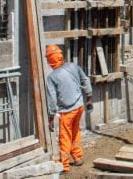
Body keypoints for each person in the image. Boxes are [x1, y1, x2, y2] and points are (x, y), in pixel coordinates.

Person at [45, 44, 93, 173]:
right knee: (75, 131)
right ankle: (78, 158)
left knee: (65, 136)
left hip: (67, 111)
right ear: (61, 56)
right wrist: (89, 98)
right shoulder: (73, 66)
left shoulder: (52, 77)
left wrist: (51, 117)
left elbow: (52, 100)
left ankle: (64, 165)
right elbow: (86, 80)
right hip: (79, 106)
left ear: (50, 60)